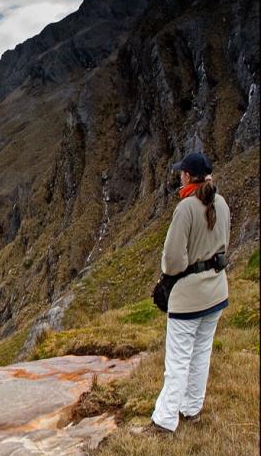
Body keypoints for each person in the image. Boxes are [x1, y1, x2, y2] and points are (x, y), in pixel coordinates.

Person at [133, 151, 231, 437]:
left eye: (181, 173)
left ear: (188, 176)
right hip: (216, 291)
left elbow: (174, 260)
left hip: (189, 298)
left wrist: (167, 276)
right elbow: (223, 244)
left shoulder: (186, 208)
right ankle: (191, 409)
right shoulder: (221, 203)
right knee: (201, 353)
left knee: (177, 361)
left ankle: (164, 422)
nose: (179, 176)